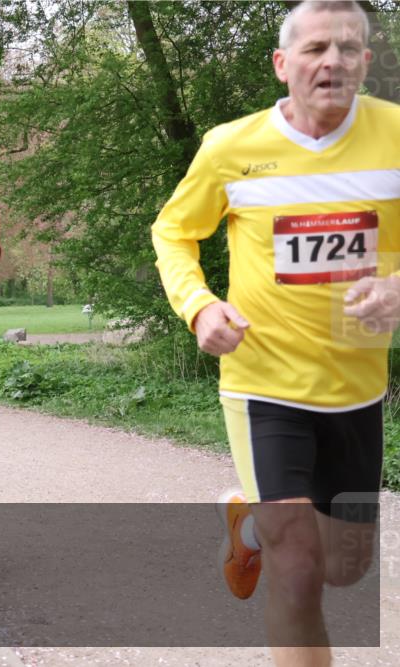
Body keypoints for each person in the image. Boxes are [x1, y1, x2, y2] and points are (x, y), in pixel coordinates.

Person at [151, 2, 398, 664]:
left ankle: (247, 523)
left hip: (357, 387)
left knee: (344, 566)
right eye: (316, 48)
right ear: (282, 64)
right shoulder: (231, 147)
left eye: (347, 49)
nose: (332, 61)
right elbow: (173, 232)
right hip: (263, 383)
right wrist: (199, 306)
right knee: (298, 569)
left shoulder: (396, 135)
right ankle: (272, 531)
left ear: (366, 62)